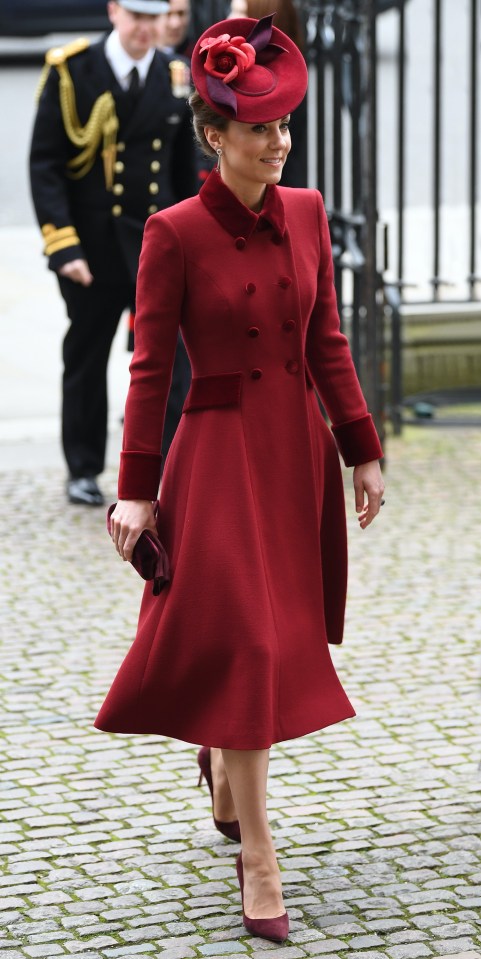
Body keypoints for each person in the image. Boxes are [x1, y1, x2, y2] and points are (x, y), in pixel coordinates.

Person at [95, 13, 385, 944]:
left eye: (283, 125)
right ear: (213, 136)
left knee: (269, 634)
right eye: (258, 129)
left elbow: (327, 341)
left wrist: (360, 445)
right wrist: (136, 487)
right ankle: (258, 854)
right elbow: (148, 368)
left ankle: (226, 772)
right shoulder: (172, 232)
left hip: (291, 448)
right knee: (250, 643)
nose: (278, 143)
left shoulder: (305, 213)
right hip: (216, 458)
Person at [29, 0, 197, 506]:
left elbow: (182, 172)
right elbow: (46, 165)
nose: (146, 28)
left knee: (172, 362)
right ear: (114, 12)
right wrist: (63, 246)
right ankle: (82, 468)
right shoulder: (72, 71)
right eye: (136, 16)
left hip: (155, 246)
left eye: (154, 17)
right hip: (93, 250)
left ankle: (169, 465)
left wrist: (193, 242)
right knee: (86, 355)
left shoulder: (174, 75)